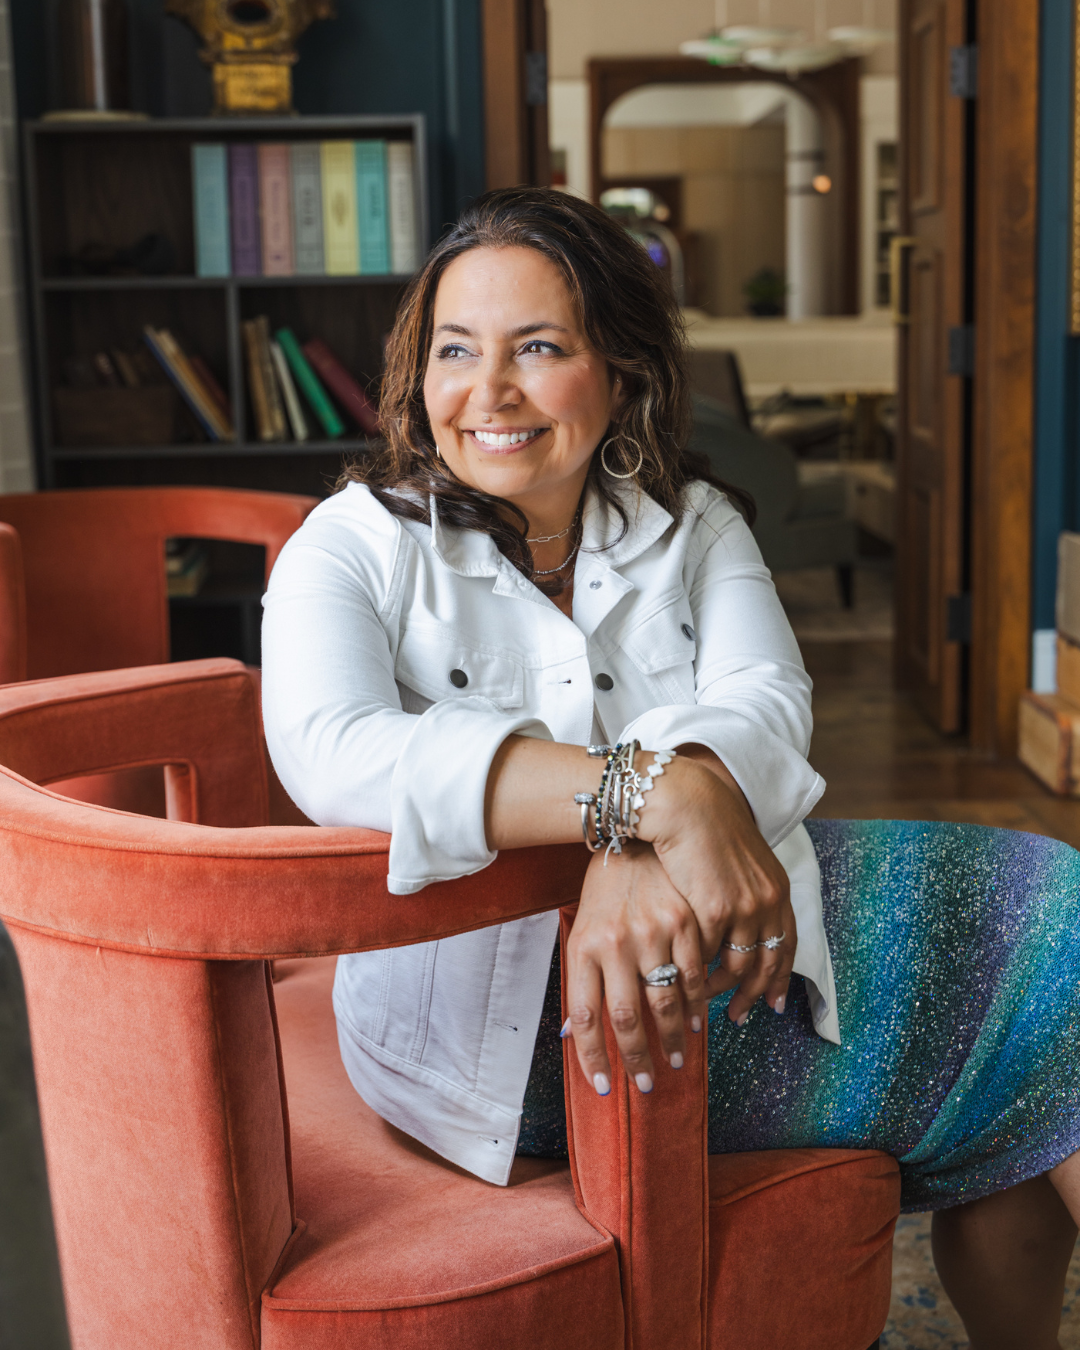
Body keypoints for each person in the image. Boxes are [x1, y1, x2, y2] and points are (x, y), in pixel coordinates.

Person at [261, 187, 1080, 1349]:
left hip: (704, 944)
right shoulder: (350, 544)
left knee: (1049, 965)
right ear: (417, 372)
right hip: (505, 1031)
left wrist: (646, 829)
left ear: (623, 370)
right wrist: (645, 796)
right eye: (456, 349)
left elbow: (769, 707)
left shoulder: (693, 522)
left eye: (538, 348)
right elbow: (332, 750)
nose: (489, 391)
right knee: (1048, 969)